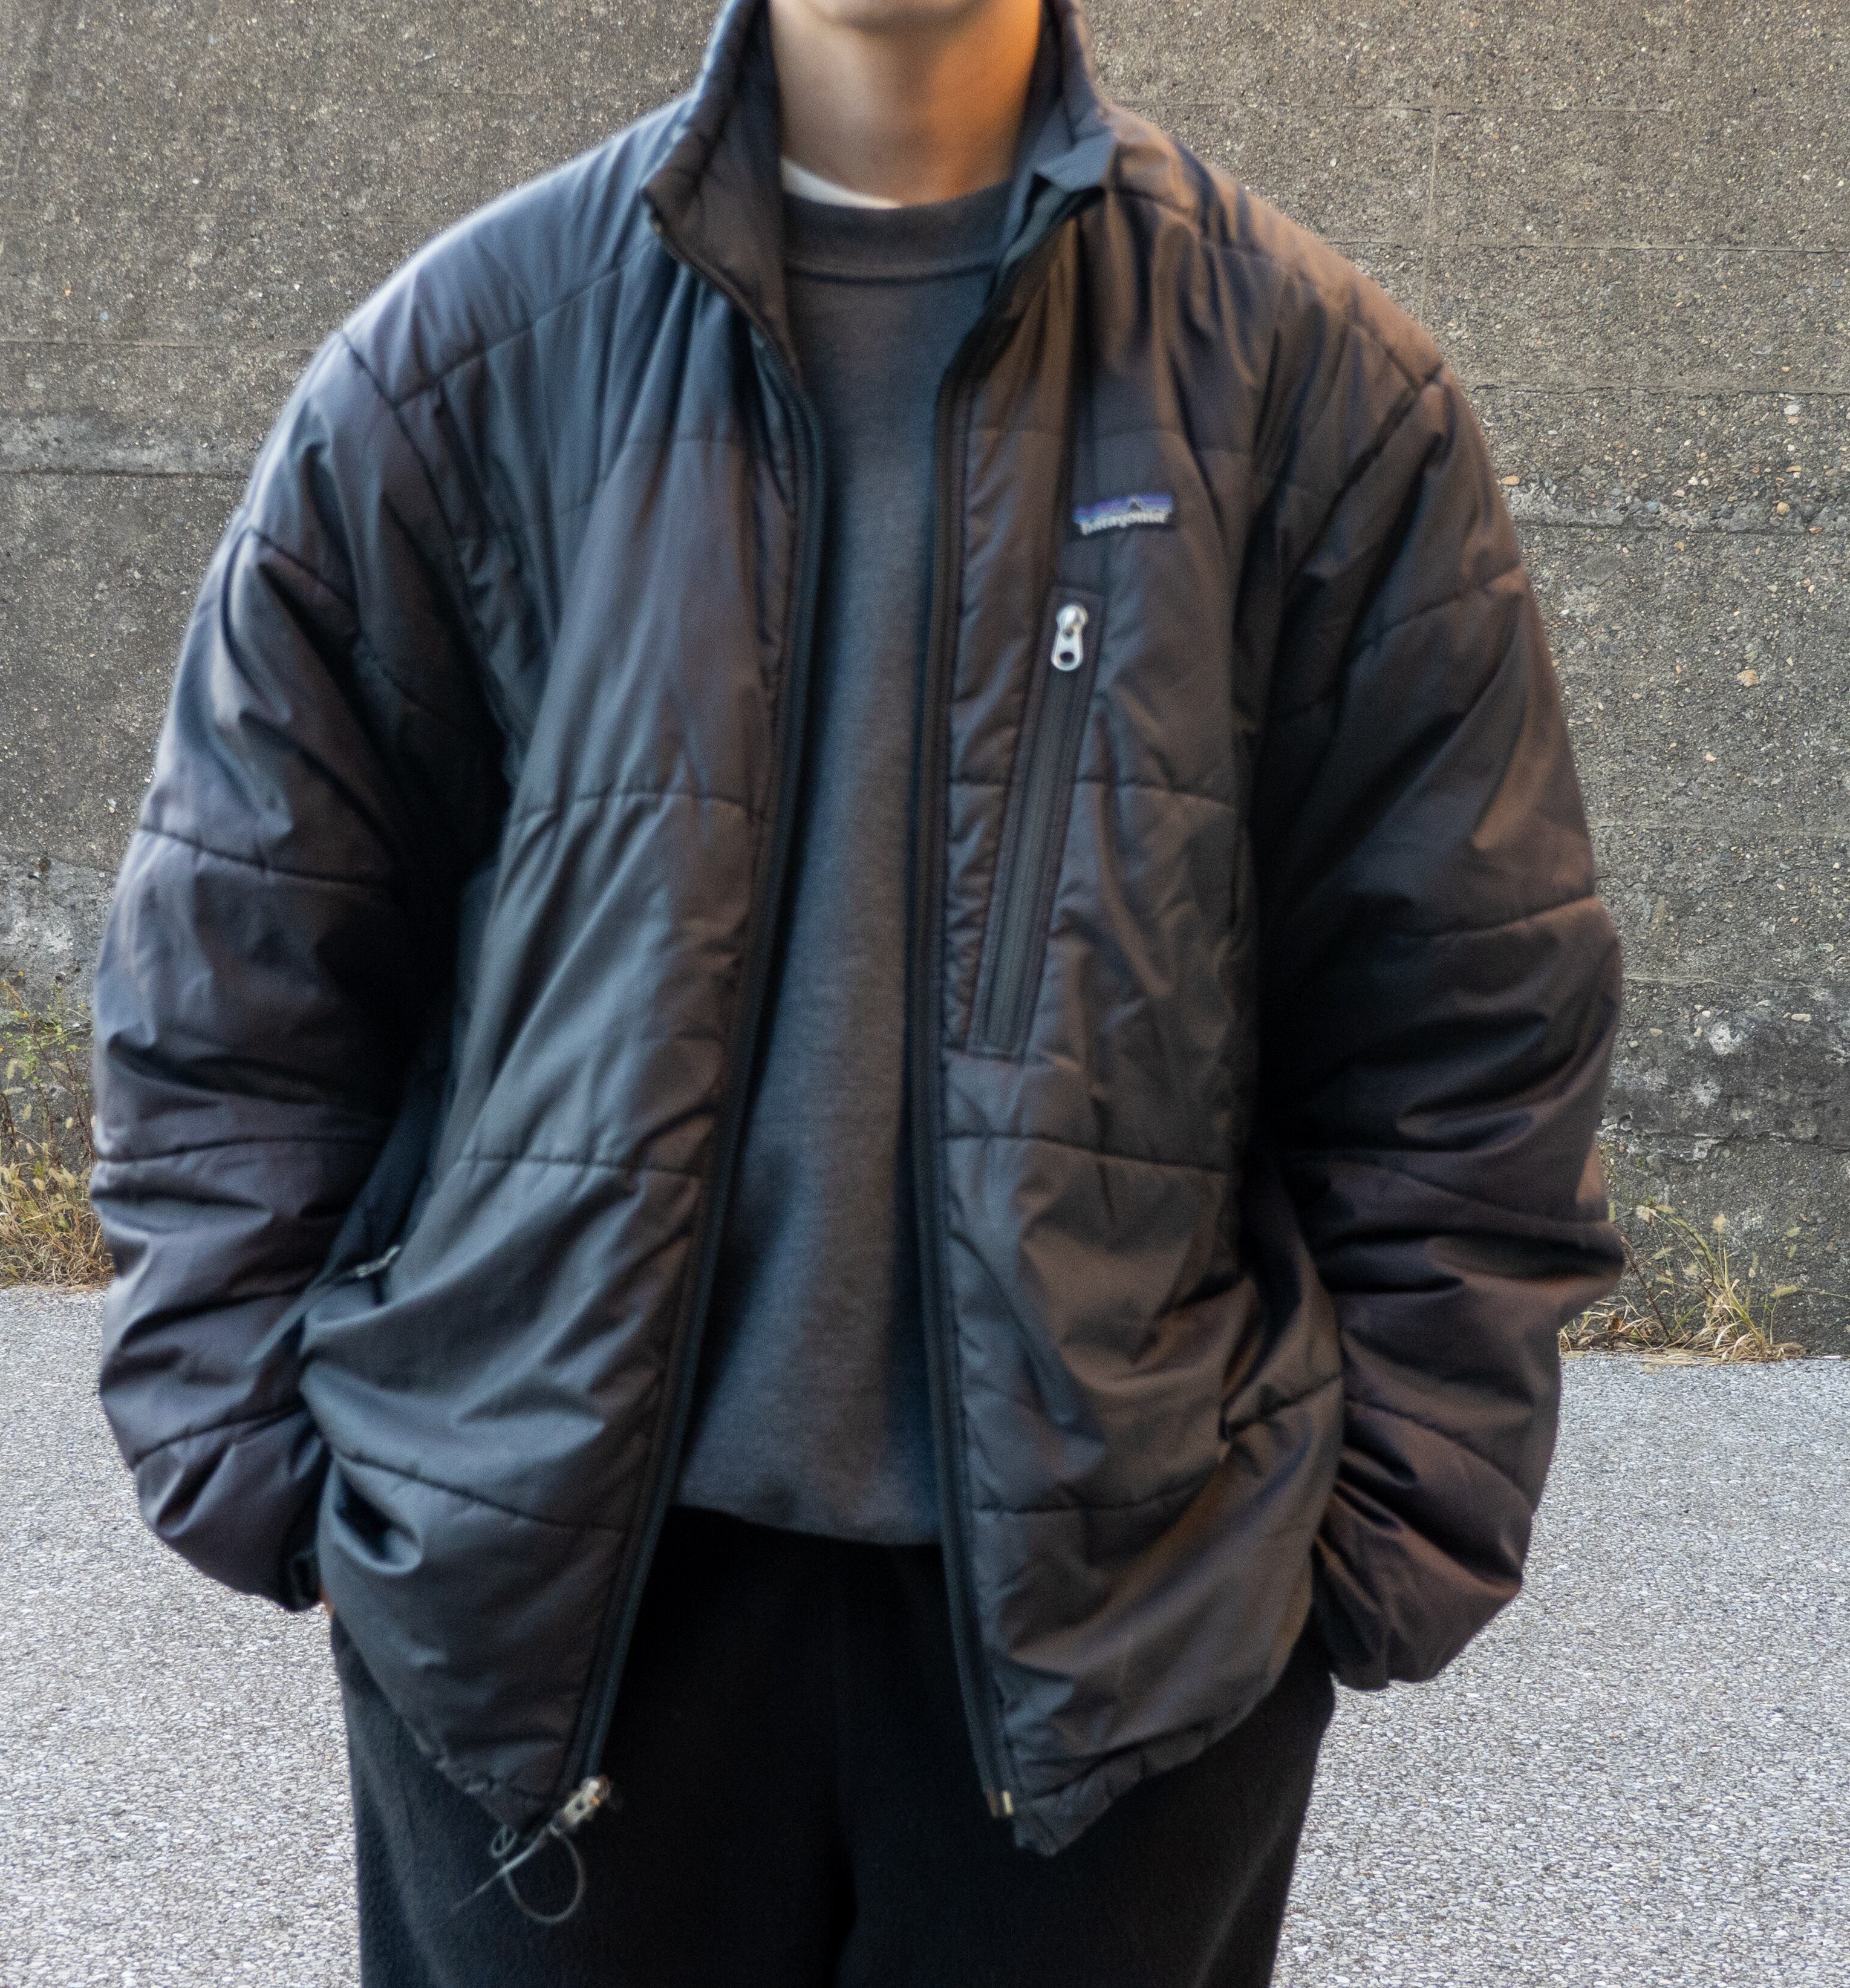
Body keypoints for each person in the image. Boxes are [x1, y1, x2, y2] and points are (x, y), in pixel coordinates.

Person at [90, 0, 1624, 1980]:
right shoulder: (470, 360)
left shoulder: (1315, 391)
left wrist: (1372, 1535)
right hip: (549, 1613)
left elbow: (1469, 1016)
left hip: (1122, 1645)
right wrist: (290, 1475)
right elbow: (243, 963)